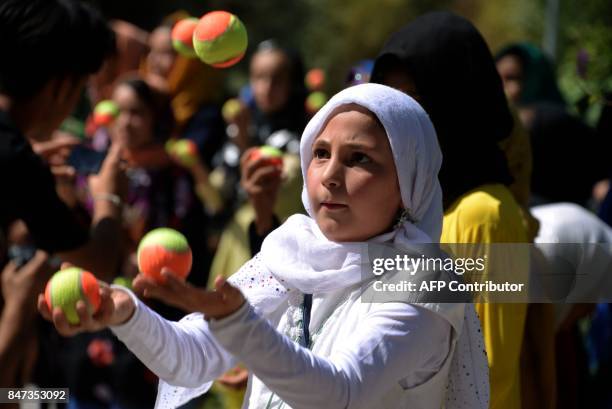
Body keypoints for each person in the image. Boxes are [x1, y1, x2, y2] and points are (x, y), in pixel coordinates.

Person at [39, 83, 489, 409]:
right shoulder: (291, 252)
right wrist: (125, 312)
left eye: (359, 159)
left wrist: (235, 321)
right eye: (320, 153)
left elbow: (340, 393)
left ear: (408, 182)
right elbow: (192, 358)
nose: (330, 175)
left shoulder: (426, 278)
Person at [372, 12, 532, 409]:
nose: (401, 126)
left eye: (416, 104)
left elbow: (488, 378)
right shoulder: (408, 207)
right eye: (390, 106)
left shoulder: (485, 217)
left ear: (458, 104)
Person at [0, 0, 124, 281]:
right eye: (80, 90)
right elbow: (97, 264)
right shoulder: (16, 163)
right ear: (62, 86)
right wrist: (109, 195)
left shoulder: (17, 158)